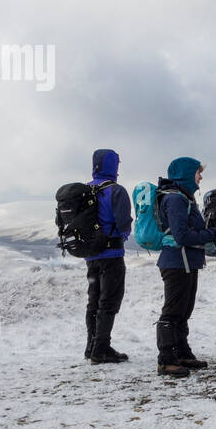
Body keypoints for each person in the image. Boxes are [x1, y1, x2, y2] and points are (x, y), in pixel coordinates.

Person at [155, 157, 216, 377]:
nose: (200, 177)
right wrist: (210, 234)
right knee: (173, 311)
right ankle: (166, 359)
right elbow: (181, 235)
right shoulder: (175, 200)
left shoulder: (184, 197)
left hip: (185, 261)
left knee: (184, 310)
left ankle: (181, 352)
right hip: (176, 261)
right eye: (197, 172)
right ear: (186, 174)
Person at [84, 148, 132, 363]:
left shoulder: (85, 190)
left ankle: (91, 346)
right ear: (113, 166)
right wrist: (122, 234)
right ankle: (101, 348)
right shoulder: (116, 191)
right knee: (109, 300)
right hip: (112, 253)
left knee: (93, 300)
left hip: (91, 255)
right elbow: (124, 224)